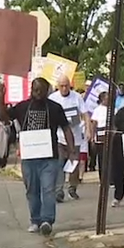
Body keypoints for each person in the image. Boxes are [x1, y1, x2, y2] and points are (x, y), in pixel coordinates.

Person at [0, 78, 74, 236]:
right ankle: (35, 220)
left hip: (49, 157)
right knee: (32, 190)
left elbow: (66, 128)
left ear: (47, 91)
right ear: (31, 90)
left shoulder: (55, 108)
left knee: (48, 189)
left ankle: (47, 220)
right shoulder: (22, 107)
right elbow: (4, 117)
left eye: (41, 90)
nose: (37, 93)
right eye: (35, 90)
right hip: (29, 157)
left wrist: (71, 149)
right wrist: (0, 97)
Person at [48, 74, 91, 202]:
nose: (64, 88)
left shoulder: (76, 97)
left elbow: (85, 114)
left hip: (75, 137)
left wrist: (88, 129)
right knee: (59, 164)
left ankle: (72, 188)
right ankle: (58, 191)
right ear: (58, 86)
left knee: (73, 165)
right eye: (61, 86)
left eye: (66, 85)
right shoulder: (53, 98)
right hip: (60, 137)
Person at [89, 92, 109, 177]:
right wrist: (92, 137)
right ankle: (102, 177)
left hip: (110, 135)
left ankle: (111, 178)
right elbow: (94, 123)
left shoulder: (113, 109)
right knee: (102, 158)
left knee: (110, 158)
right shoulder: (97, 110)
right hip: (100, 136)